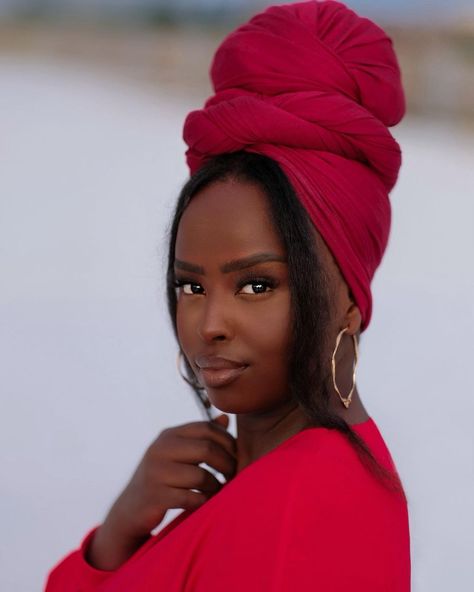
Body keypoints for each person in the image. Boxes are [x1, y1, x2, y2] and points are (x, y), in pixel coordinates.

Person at [44, 1, 411, 590]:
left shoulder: (299, 508)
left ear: (348, 292)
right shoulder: (286, 472)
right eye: (190, 285)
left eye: (257, 284)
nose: (207, 323)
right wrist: (116, 536)